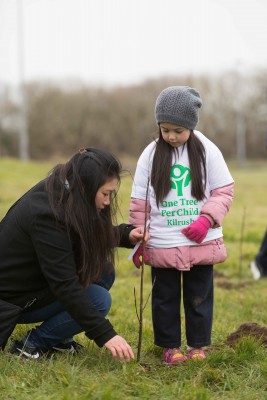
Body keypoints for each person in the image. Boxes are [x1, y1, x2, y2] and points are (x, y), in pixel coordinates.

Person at [0, 147, 146, 361]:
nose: (107, 201)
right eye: (105, 194)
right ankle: (31, 345)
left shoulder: (66, 191)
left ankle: (58, 338)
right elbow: (65, 285)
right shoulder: (47, 215)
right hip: (12, 299)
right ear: (87, 188)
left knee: (104, 271)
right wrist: (106, 334)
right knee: (98, 300)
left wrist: (126, 235)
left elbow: (81, 234)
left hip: (36, 283)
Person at [129, 86, 234, 365]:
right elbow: (140, 200)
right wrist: (138, 239)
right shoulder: (150, 156)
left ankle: (198, 346)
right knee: (164, 297)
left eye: (178, 130)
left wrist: (206, 219)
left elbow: (224, 191)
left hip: (200, 240)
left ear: (191, 125)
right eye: (165, 130)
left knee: (199, 296)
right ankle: (170, 347)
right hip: (163, 242)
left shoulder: (208, 151)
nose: (171, 136)